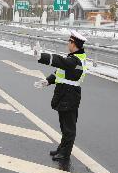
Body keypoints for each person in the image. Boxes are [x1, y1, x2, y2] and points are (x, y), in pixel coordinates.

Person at [35, 30, 87, 161]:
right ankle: (62, 148)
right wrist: (47, 81)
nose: (67, 43)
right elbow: (60, 72)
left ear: (74, 44)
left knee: (69, 127)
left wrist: (42, 56)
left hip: (70, 95)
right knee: (64, 125)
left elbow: (60, 62)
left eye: (69, 41)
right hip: (65, 93)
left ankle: (65, 153)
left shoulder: (76, 61)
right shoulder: (73, 58)